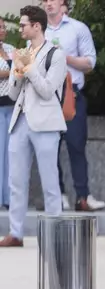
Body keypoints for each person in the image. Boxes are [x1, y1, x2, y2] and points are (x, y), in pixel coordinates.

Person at [0, 6, 67, 247]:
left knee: (50, 181)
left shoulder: (56, 55)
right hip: (20, 121)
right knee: (16, 181)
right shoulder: (23, 51)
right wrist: (17, 72)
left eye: (23, 25)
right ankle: (15, 233)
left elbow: (48, 90)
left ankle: (55, 233)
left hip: (46, 123)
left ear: (36, 26)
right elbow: (13, 92)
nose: (20, 29)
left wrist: (30, 69)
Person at [42, 0, 105, 212]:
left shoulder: (78, 28)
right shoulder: (38, 28)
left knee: (76, 146)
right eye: (45, 0)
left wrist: (64, 57)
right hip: (46, 95)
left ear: (62, 3)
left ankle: (83, 196)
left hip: (71, 94)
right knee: (49, 148)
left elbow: (90, 63)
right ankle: (58, 195)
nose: (48, 3)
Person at [0, 17, 15, 210]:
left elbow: (27, 68)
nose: (2, 30)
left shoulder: (12, 49)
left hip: (12, 106)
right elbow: (16, 70)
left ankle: (10, 198)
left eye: (3, 26)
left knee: (11, 155)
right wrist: (13, 70)